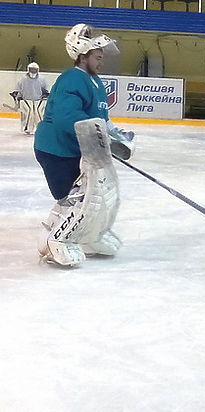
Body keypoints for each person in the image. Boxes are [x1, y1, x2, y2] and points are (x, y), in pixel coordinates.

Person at [34, 23, 135, 267]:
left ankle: (87, 237)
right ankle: (55, 241)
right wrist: (102, 138)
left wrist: (116, 134)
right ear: (82, 54)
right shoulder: (71, 79)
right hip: (56, 149)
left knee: (90, 195)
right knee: (76, 200)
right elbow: (69, 118)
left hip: (77, 149)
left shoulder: (96, 82)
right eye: (97, 57)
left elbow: (102, 117)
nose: (101, 61)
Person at [12, 62, 49, 134]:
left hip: (38, 99)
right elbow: (19, 89)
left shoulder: (42, 79)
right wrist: (18, 96)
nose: (33, 71)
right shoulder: (22, 79)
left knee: (39, 113)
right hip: (26, 99)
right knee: (29, 112)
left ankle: (40, 128)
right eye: (31, 69)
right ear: (28, 69)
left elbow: (45, 88)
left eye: (35, 69)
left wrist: (45, 94)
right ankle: (26, 128)